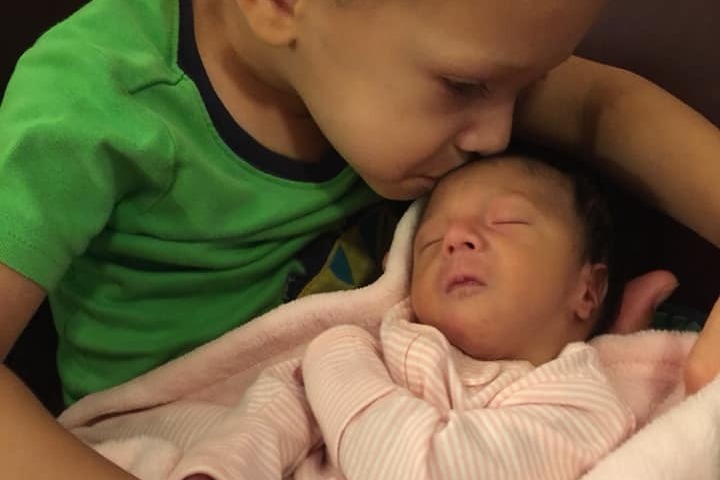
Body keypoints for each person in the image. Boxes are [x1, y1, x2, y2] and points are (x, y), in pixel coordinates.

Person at [0, 0, 717, 478]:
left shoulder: (417, 38)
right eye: (464, 85)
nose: (500, 135)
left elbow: (601, 107)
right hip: (191, 438)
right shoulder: (93, 107)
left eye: (525, 87)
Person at [170, 153, 634, 480]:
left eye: (506, 221)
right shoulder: (385, 347)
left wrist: (339, 363)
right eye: (430, 240)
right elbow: (279, 408)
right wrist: (221, 469)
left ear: (587, 290)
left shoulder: (579, 404)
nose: (455, 238)